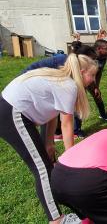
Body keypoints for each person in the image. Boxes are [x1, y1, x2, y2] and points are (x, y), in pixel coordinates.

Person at [0, 54, 97, 223]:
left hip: (10, 110)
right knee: (42, 168)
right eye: (92, 75)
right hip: (12, 113)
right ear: (81, 72)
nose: (93, 80)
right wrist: (71, 160)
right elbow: (66, 124)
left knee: (46, 165)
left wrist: (49, 142)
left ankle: (70, 205)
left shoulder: (60, 79)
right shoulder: (69, 86)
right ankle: (57, 219)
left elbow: (52, 113)